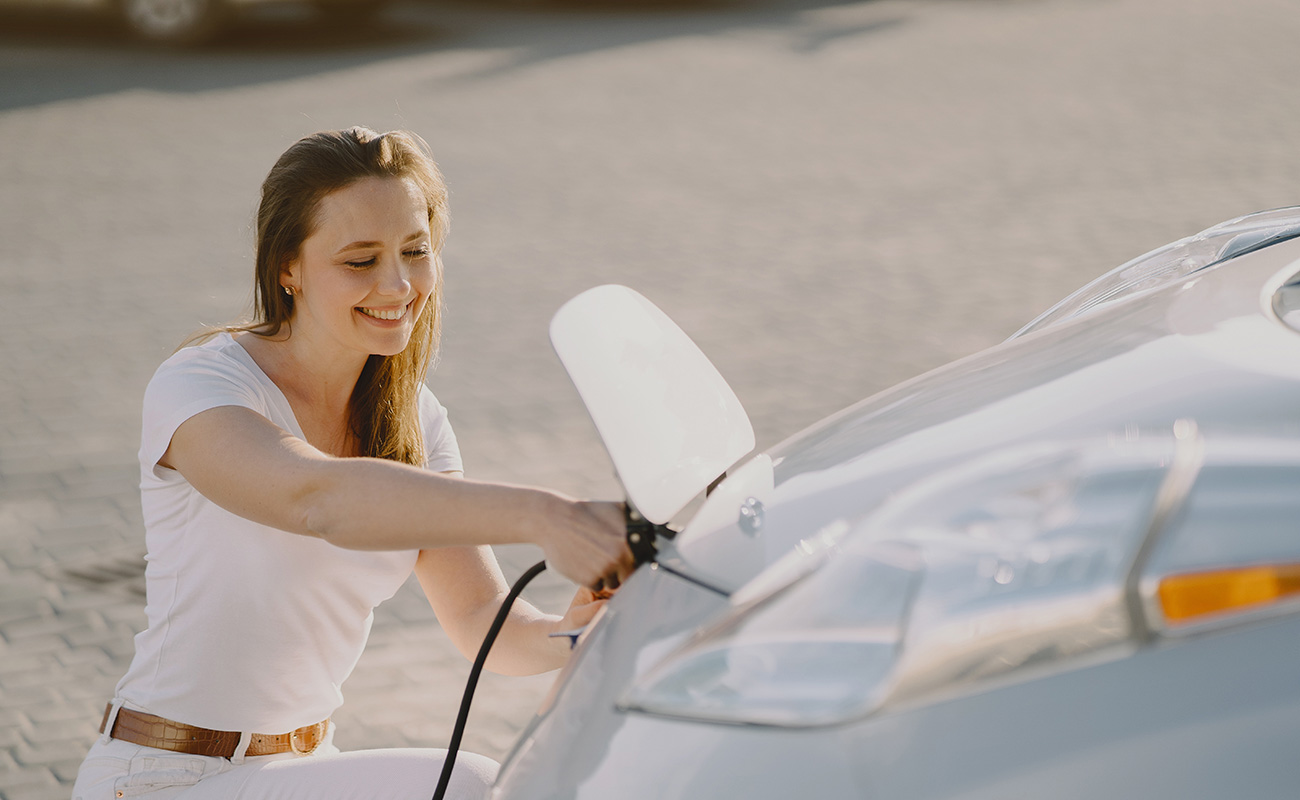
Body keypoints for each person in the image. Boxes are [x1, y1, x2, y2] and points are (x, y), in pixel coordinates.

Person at [70, 127, 634, 800]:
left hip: (303, 769)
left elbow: (487, 621)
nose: (397, 284)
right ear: (288, 268)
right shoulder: (201, 385)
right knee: (469, 787)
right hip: (163, 775)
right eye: (360, 261)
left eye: (415, 252)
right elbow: (318, 499)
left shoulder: (415, 417)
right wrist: (545, 514)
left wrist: (580, 630)